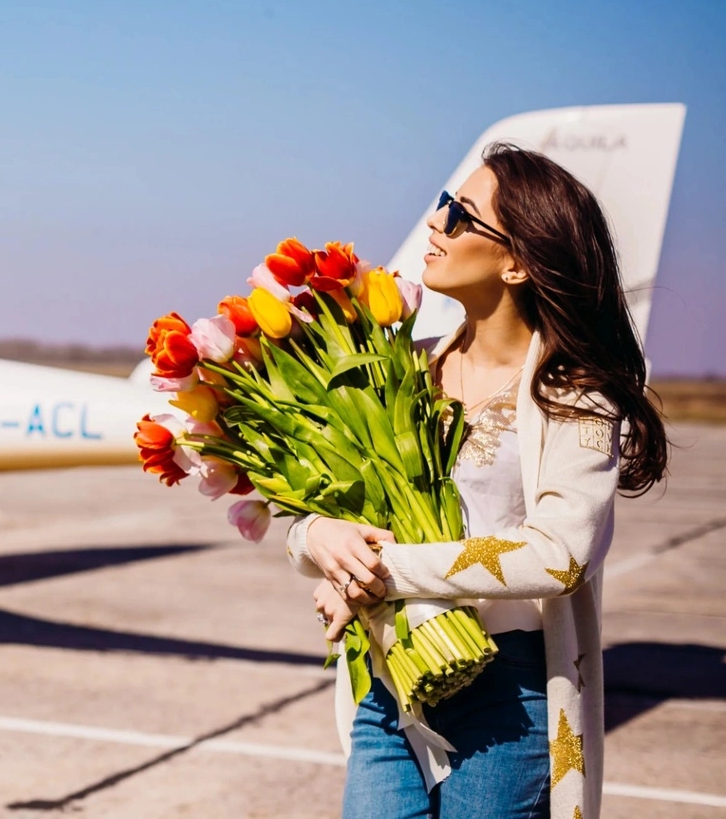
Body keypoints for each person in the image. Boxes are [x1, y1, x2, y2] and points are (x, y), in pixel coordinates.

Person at [284, 143, 669, 819]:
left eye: (460, 215)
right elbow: (346, 516)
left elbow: (561, 555)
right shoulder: (404, 376)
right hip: (391, 682)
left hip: (508, 694)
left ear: (516, 261)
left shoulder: (576, 395)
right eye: (442, 205)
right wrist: (319, 539)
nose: (435, 224)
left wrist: (384, 572)